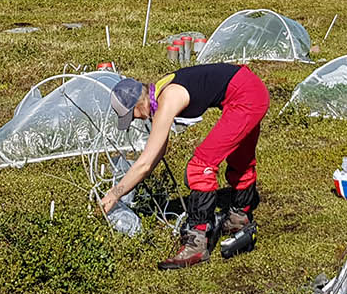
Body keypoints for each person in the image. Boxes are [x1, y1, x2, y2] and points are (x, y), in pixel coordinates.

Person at [99, 62, 270, 269]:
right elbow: (157, 153)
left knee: (200, 166)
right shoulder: (160, 92)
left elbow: (145, 163)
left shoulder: (167, 99)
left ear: (139, 103)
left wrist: (114, 194)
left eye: (132, 115)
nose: (136, 120)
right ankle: (239, 218)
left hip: (246, 96)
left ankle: (196, 242)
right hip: (249, 87)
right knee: (240, 159)